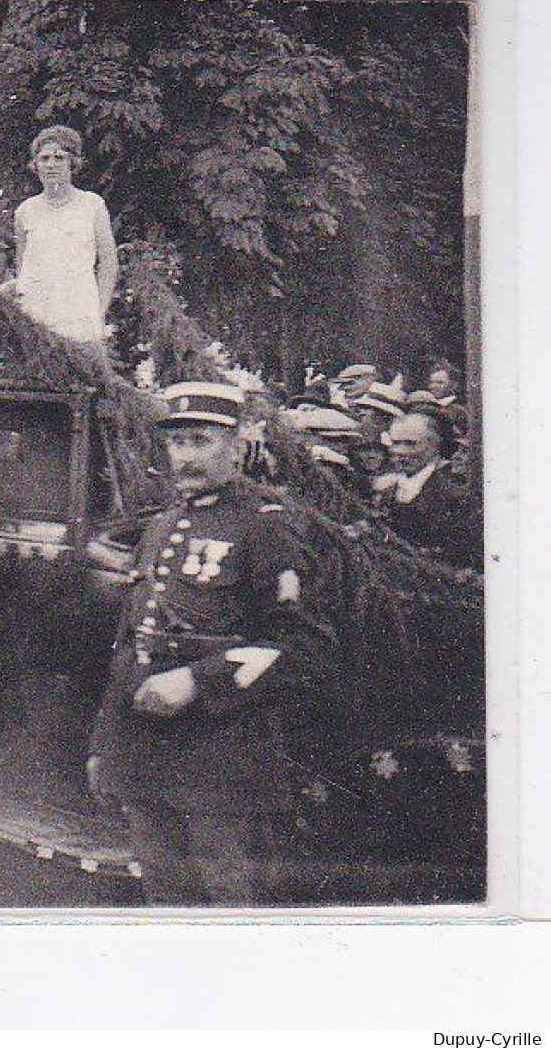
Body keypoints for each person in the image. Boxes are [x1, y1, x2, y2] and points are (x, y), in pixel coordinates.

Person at [87, 381, 335, 905]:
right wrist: (107, 744)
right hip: (147, 751)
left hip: (220, 762)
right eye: (177, 443)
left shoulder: (267, 527)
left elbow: (303, 645)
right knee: (164, 895)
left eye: (201, 441)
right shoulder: (163, 525)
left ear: (238, 444)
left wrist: (198, 681)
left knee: (225, 900)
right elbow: (133, 638)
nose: (186, 456)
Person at [12, 124, 119, 344]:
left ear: (73, 163)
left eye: (59, 157)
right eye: (44, 158)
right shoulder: (26, 211)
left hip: (78, 315)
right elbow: (22, 266)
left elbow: (108, 262)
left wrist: (99, 311)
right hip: (37, 314)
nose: (51, 165)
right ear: (35, 165)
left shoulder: (92, 205)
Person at [374, 410, 479, 569]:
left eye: (411, 443)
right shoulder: (387, 492)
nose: (400, 451)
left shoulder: (453, 493)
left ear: (434, 446)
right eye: (396, 443)